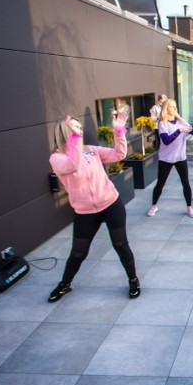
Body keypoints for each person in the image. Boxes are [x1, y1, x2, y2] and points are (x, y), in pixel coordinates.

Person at [48, 111, 140, 302]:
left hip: (111, 203)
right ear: (64, 131)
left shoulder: (91, 150)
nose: (79, 130)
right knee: (78, 252)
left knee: (120, 244)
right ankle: (65, 284)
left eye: (79, 127)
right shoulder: (57, 158)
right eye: (74, 127)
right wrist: (75, 139)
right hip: (85, 212)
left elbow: (119, 154)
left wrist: (119, 131)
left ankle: (133, 280)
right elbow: (73, 165)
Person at [146, 99, 193, 218]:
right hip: (166, 159)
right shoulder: (162, 124)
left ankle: (189, 208)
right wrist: (179, 131)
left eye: (175, 106)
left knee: (186, 183)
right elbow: (166, 140)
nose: (174, 108)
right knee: (160, 183)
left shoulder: (181, 121)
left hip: (180, 158)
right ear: (166, 109)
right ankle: (154, 206)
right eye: (171, 106)